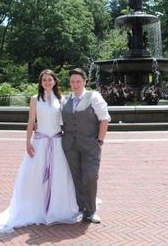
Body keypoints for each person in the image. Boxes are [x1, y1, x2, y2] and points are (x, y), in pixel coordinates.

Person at [0, 70, 79, 234]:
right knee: (36, 177)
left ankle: (59, 208)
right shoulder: (35, 99)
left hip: (57, 143)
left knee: (59, 176)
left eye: (50, 79)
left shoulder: (61, 99)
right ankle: (36, 208)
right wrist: (27, 142)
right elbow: (31, 122)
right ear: (40, 82)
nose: (47, 82)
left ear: (55, 81)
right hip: (40, 143)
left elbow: (65, 122)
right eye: (44, 80)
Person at [61, 68, 110, 223]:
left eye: (78, 81)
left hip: (90, 145)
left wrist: (100, 141)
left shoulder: (93, 97)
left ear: (84, 82)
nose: (75, 85)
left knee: (90, 176)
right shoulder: (65, 100)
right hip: (70, 146)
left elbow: (104, 119)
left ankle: (91, 211)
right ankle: (81, 209)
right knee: (76, 177)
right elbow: (59, 122)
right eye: (72, 82)